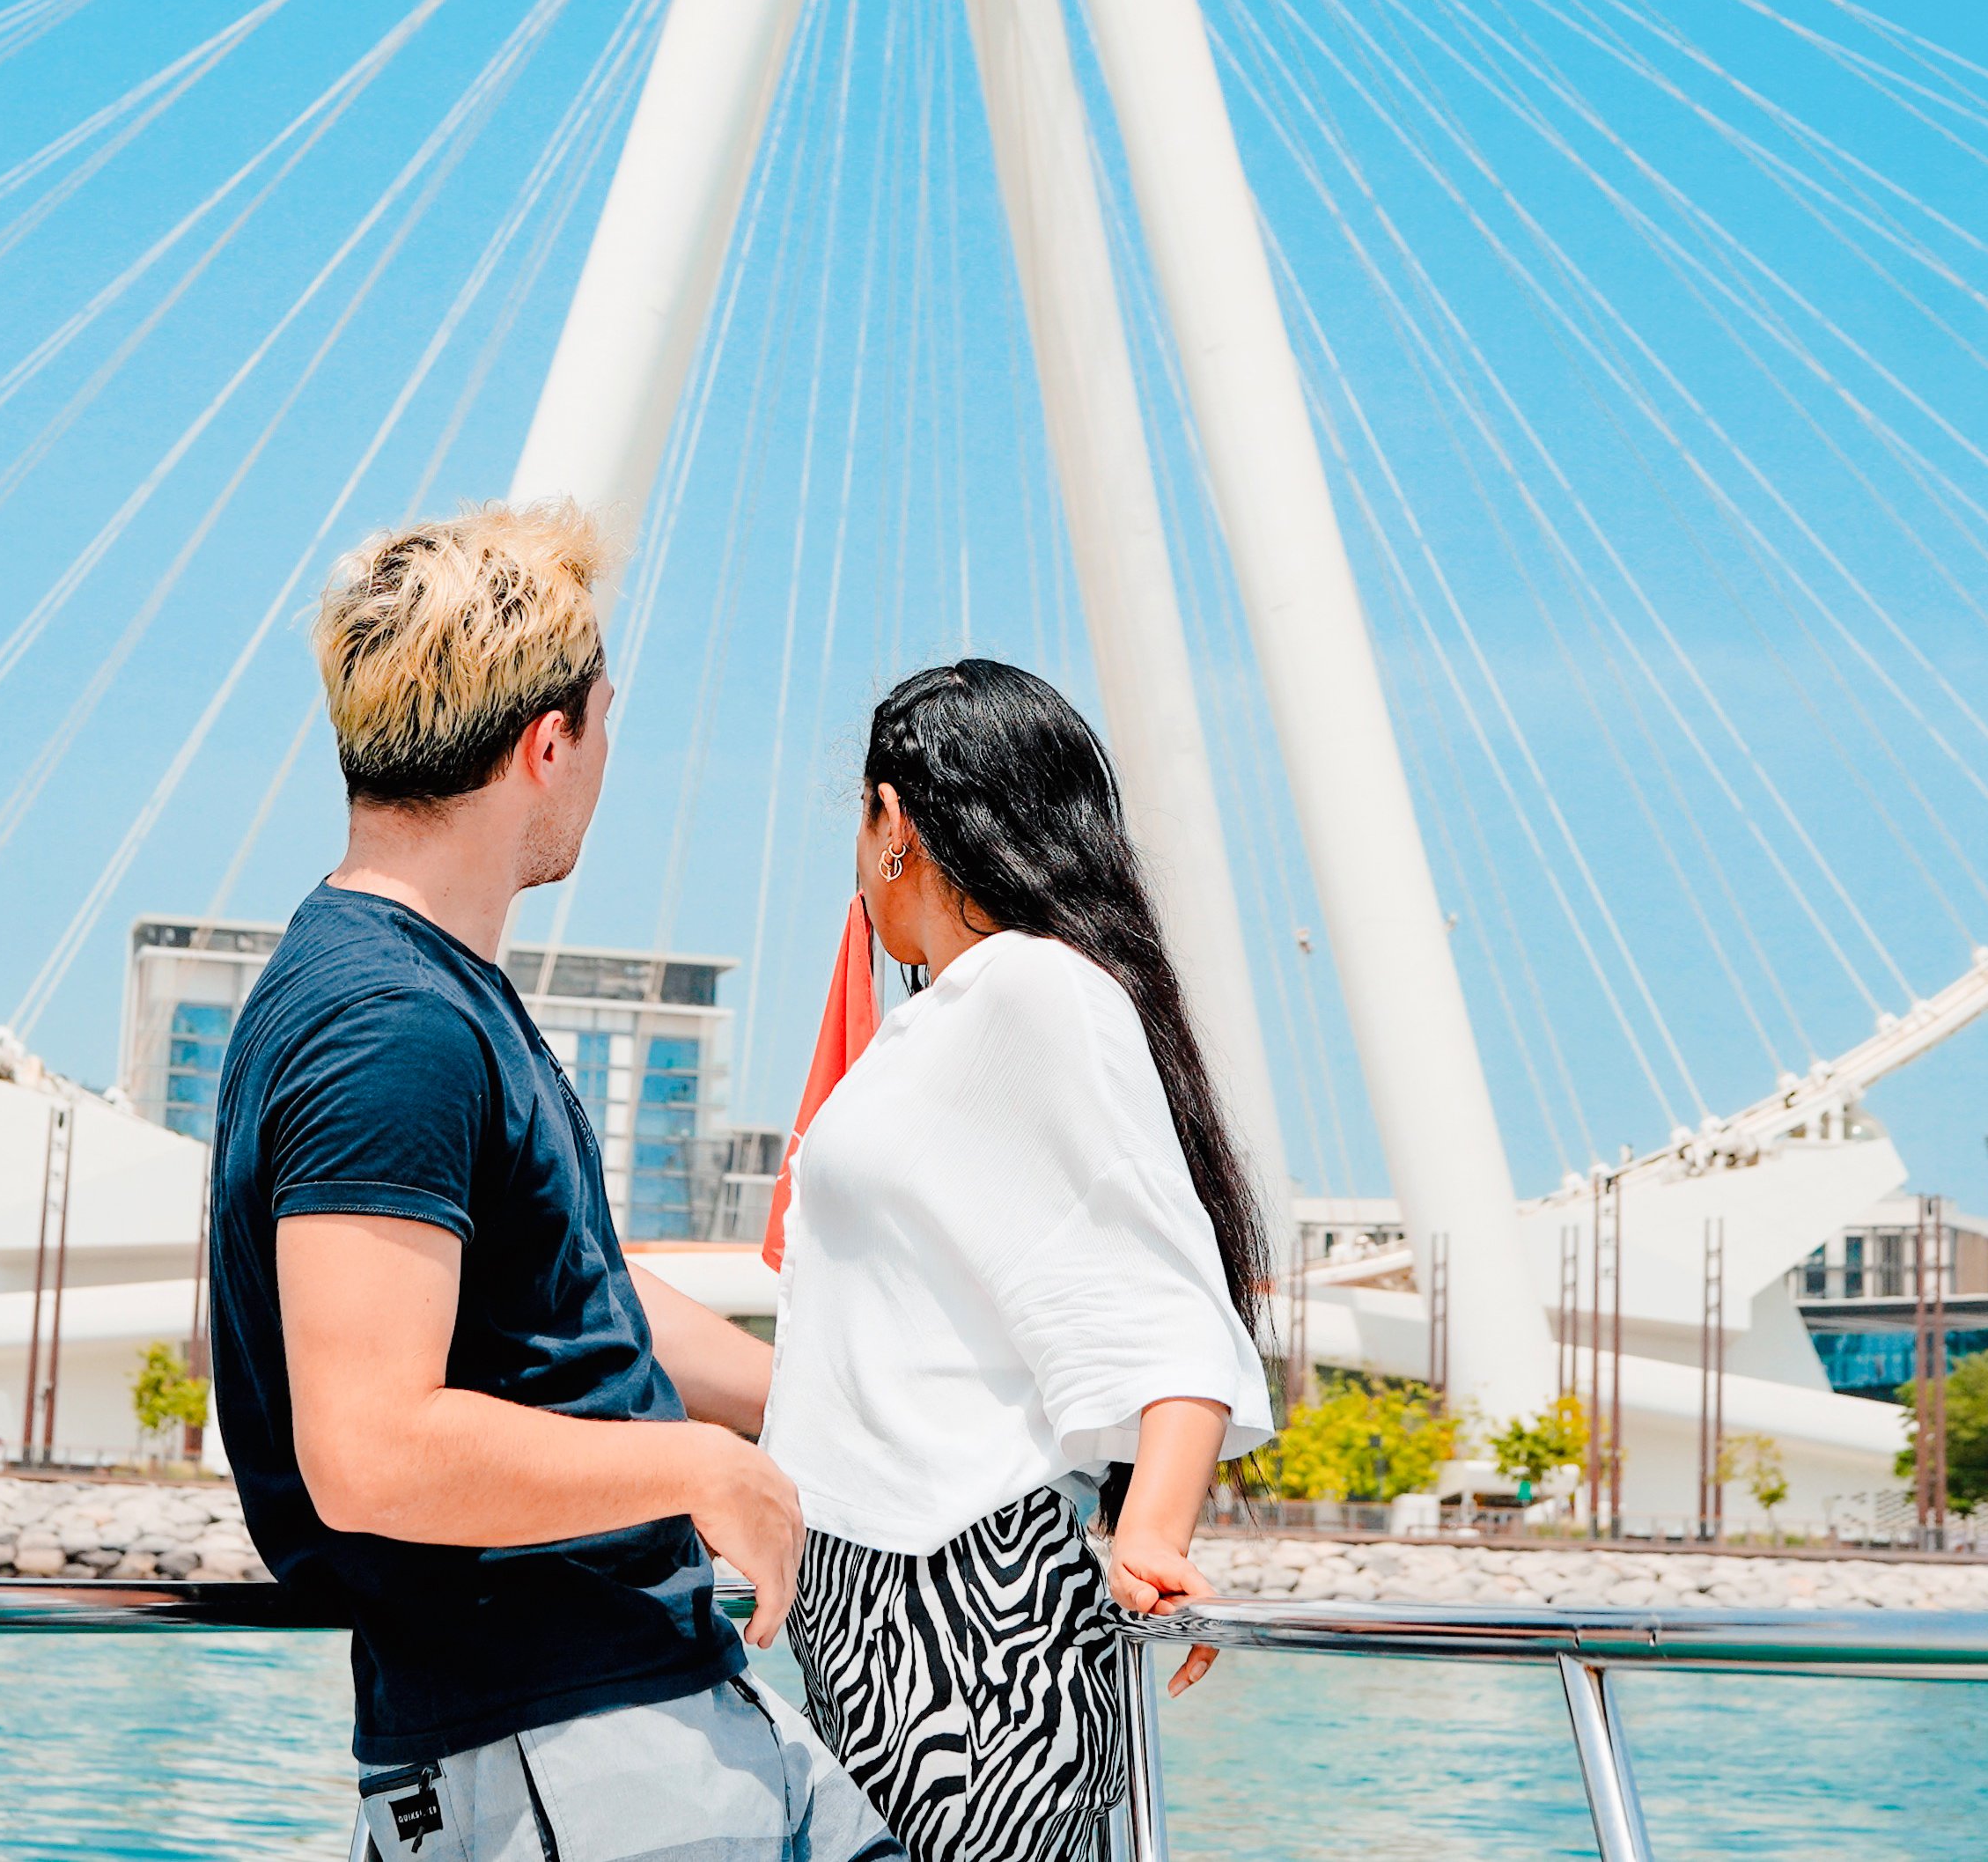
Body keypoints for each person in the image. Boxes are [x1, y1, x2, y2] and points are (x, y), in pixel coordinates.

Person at [208, 497, 900, 1862]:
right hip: (563, 1754)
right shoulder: (386, 1026)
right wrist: (701, 1469)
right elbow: (367, 1450)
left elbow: (572, 1292)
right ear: (549, 741)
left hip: (629, 1721)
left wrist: (828, 1412)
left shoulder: (431, 998)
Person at [767, 660, 1277, 1862]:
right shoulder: (942, 1018)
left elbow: (1170, 1297)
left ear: (894, 822)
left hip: (968, 1612)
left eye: (859, 817)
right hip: (873, 1601)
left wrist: (1149, 1527)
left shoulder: (1038, 991)